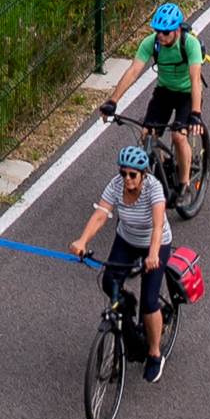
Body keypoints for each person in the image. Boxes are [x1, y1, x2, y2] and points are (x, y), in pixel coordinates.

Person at [73, 139, 181, 380]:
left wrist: (153, 254)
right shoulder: (116, 186)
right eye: (123, 173)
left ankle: (154, 354)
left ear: (143, 174)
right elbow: (101, 214)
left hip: (155, 244)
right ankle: (126, 316)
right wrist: (82, 241)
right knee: (108, 280)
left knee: (150, 302)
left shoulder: (154, 189)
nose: (127, 179)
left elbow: (157, 226)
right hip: (127, 239)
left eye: (133, 174)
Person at [108, 0, 207, 187]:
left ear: (177, 30)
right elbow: (133, 71)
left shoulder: (190, 44)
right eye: (157, 31)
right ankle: (163, 169)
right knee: (147, 134)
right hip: (164, 91)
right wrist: (112, 101)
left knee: (178, 135)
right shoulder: (151, 43)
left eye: (166, 32)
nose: (160, 36)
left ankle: (183, 184)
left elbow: (195, 80)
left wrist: (195, 114)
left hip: (187, 94)